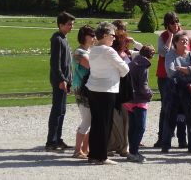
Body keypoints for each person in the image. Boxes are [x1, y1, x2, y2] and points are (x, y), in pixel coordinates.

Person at [86, 22, 130, 165]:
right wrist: (116, 70)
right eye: (112, 35)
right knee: (105, 124)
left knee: (96, 122)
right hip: (107, 90)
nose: (114, 38)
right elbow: (125, 69)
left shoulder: (93, 49)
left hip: (93, 89)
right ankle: (102, 156)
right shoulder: (108, 51)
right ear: (104, 35)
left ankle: (93, 154)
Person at [155, 12, 191, 148]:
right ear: (167, 24)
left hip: (184, 77)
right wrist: (171, 37)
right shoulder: (163, 36)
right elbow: (163, 53)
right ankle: (163, 138)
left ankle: (182, 140)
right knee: (166, 107)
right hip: (166, 76)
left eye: (177, 21)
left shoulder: (186, 36)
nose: (175, 24)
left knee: (184, 108)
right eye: (172, 22)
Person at [108, 20, 143, 157]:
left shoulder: (128, 53)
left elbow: (144, 51)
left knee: (125, 120)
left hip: (126, 91)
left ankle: (123, 146)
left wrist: (134, 41)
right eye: (124, 40)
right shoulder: (114, 54)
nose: (126, 42)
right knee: (116, 120)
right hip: (117, 90)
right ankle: (115, 145)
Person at [163, 31, 191, 153]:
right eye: (182, 40)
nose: (185, 42)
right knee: (170, 116)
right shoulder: (170, 54)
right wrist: (188, 70)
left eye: (187, 40)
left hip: (189, 90)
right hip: (173, 89)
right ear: (175, 43)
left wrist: (183, 69)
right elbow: (170, 71)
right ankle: (166, 144)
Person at [46, 12, 75, 152]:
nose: (72, 26)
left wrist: (69, 80)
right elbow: (55, 63)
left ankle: (58, 138)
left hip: (64, 80)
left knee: (62, 111)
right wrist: (62, 79)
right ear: (61, 24)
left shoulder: (63, 38)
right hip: (60, 80)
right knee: (57, 110)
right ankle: (51, 141)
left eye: (72, 24)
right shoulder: (57, 39)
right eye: (69, 24)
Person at [124, 45, 156, 163]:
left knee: (132, 127)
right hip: (139, 101)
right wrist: (150, 94)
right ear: (151, 55)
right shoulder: (143, 65)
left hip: (129, 100)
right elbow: (143, 86)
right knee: (140, 127)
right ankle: (134, 151)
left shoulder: (133, 63)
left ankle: (131, 151)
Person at [72, 25, 95, 159]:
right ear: (84, 36)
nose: (93, 38)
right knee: (87, 119)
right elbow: (92, 66)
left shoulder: (89, 50)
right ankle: (77, 150)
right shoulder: (79, 53)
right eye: (91, 35)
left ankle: (85, 149)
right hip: (82, 88)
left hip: (89, 88)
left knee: (90, 120)